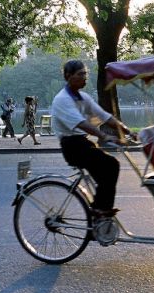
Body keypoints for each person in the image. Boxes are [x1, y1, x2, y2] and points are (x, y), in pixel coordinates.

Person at [51, 60, 131, 217]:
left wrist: (127, 130)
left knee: (106, 174)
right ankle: (99, 210)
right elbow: (81, 124)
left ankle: (100, 211)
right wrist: (104, 135)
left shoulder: (83, 97)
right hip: (72, 146)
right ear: (68, 76)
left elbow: (104, 116)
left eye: (85, 74)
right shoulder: (62, 99)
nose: (84, 77)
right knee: (112, 165)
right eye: (80, 74)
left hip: (83, 144)